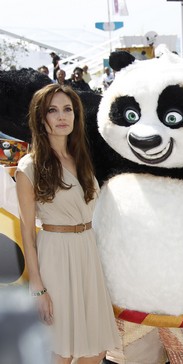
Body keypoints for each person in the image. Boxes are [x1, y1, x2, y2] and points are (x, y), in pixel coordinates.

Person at [16, 83, 120, 363]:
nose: (62, 116)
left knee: (96, 350)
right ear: (41, 118)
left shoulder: (81, 159)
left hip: (87, 252)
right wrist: (37, 287)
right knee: (60, 351)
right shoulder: (30, 166)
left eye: (68, 110)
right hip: (56, 257)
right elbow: (27, 230)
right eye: (53, 110)